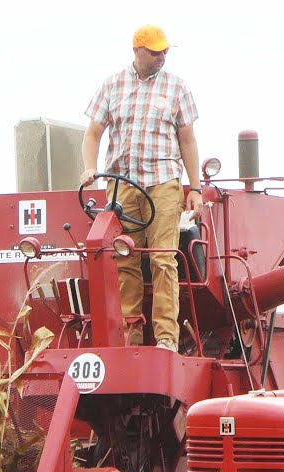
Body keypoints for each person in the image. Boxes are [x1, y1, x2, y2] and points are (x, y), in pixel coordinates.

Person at [80, 24, 202, 352]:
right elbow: (93, 134)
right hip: (121, 186)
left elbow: (187, 140)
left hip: (163, 183)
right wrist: (90, 169)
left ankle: (165, 339)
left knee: (164, 258)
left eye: (165, 51)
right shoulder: (111, 86)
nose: (161, 56)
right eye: (154, 51)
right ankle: (129, 339)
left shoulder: (177, 88)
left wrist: (195, 188)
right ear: (137, 50)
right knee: (124, 259)